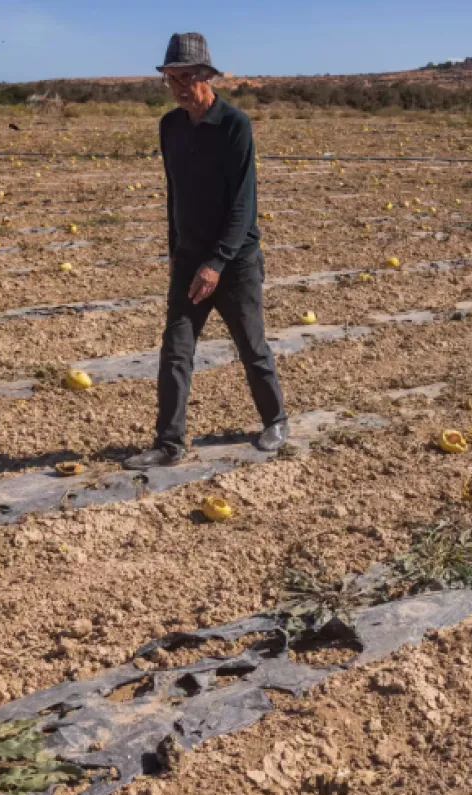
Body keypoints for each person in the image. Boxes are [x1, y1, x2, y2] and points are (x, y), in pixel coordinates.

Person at [123, 32, 288, 471]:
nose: (177, 86)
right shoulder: (170, 126)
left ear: (207, 76)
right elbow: (173, 193)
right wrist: (176, 251)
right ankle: (169, 443)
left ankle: (275, 420)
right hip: (189, 259)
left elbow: (243, 205)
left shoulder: (235, 125)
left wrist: (216, 263)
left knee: (251, 346)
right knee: (175, 350)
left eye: (185, 76)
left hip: (234, 264)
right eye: (170, 78)